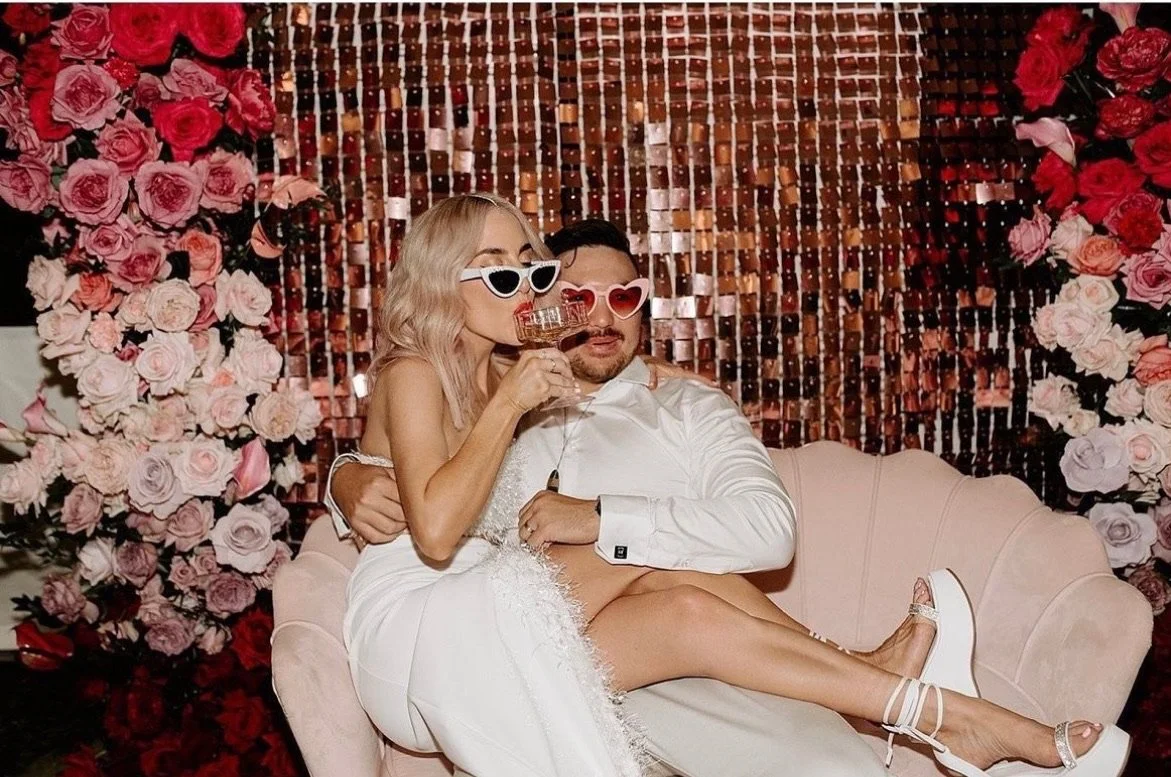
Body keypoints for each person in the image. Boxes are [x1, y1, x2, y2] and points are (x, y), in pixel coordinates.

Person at [339, 196, 1126, 777]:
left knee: (679, 595)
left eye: (532, 272)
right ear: (448, 280)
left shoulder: (534, 377)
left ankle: (932, 712)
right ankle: (907, 691)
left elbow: (607, 407)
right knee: (638, 554)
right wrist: (344, 482)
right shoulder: (432, 371)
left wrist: (655, 388)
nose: (525, 291)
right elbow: (433, 527)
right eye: (507, 275)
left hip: (498, 620)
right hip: (424, 633)